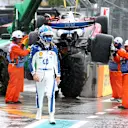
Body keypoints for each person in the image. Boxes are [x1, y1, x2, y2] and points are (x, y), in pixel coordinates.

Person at [29, 25, 61, 124]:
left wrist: (58, 75)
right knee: (40, 94)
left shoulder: (54, 48)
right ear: (41, 35)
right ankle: (39, 112)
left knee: (51, 95)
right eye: (46, 35)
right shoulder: (35, 47)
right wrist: (33, 73)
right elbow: (30, 61)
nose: (49, 37)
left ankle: (51, 116)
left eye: (50, 35)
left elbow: (57, 62)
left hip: (50, 73)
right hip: (39, 72)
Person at [5, 30, 30, 104]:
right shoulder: (13, 47)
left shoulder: (16, 45)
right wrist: (28, 50)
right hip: (14, 67)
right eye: (18, 39)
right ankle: (9, 99)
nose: (20, 40)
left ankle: (15, 99)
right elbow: (22, 53)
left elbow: (22, 44)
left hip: (18, 67)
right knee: (13, 84)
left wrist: (26, 38)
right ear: (14, 39)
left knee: (18, 84)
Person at [114, 39, 128, 109]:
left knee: (126, 90)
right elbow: (119, 61)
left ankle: (125, 105)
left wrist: (118, 51)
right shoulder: (124, 53)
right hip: (124, 74)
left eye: (127, 47)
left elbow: (124, 55)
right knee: (124, 90)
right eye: (126, 47)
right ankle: (124, 103)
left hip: (127, 74)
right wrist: (114, 56)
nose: (126, 48)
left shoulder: (125, 53)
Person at [109, 37, 123, 101]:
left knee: (118, 85)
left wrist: (115, 54)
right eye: (114, 43)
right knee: (113, 84)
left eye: (116, 43)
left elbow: (118, 60)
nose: (115, 44)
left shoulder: (121, 51)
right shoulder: (112, 50)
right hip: (111, 70)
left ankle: (120, 97)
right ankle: (115, 96)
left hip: (118, 70)